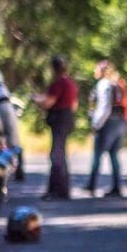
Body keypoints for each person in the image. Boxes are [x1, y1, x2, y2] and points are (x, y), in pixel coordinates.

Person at [31, 54, 78, 201]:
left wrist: (36, 100)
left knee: (57, 156)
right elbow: (74, 105)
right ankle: (57, 190)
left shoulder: (58, 84)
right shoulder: (71, 84)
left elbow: (48, 102)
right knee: (58, 155)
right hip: (67, 119)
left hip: (59, 120)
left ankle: (59, 191)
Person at [84, 60, 127, 198]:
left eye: (96, 69)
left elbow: (104, 107)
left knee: (97, 154)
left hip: (108, 122)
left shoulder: (104, 83)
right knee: (114, 155)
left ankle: (91, 185)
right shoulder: (117, 82)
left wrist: (96, 124)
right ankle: (117, 187)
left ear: (102, 70)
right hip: (121, 122)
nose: (94, 72)